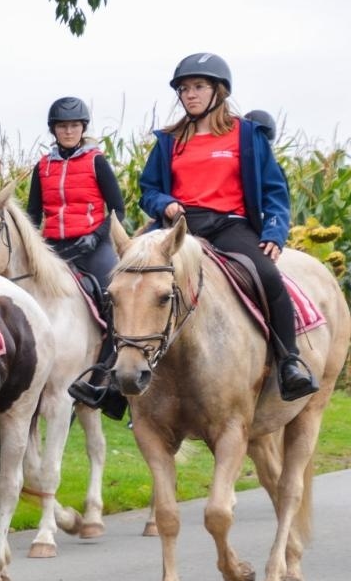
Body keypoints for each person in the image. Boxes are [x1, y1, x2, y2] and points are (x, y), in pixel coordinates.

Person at [140, 52, 317, 401]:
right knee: (128, 278)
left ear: (218, 91)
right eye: (185, 88)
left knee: (267, 275)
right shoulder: (168, 140)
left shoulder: (247, 136)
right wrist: (164, 204)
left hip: (230, 225)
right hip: (181, 229)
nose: (190, 94)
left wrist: (274, 233)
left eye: (199, 86)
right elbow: (149, 190)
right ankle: (110, 373)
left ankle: (289, 362)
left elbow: (274, 190)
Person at [22, 97, 129, 414]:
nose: (68, 131)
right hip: (55, 248)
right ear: (53, 130)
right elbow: (32, 214)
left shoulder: (96, 162)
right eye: (62, 126)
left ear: (82, 128)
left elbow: (118, 209)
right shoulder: (43, 167)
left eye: (73, 126)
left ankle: (104, 381)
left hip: (95, 247)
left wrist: (96, 236)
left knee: (116, 302)